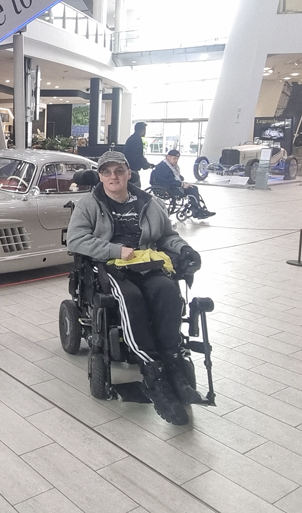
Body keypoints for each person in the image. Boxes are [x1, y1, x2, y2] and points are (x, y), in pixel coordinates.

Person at [65, 151, 202, 426]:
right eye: (107, 172)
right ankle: (153, 374)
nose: (113, 176)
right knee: (130, 299)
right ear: (100, 176)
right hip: (110, 267)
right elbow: (76, 239)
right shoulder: (89, 204)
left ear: (129, 173)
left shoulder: (149, 203)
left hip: (147, 263)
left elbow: (167, 236)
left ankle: (173, 365)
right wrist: (115, 249)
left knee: (168, 292)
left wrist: (185, 249)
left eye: (119, 171)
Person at [150, 149, 215, 219]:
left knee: (193, 188)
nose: (176, 161)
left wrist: (181, 181)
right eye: (174, 158)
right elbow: (168, 181)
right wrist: (181, 184)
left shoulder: (169, 166)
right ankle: (197, 211)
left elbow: (173, 178)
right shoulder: (163, 167)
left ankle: (197, 209)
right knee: (192, 189)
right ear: (168, 157)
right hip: (167, 188)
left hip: (171, 186)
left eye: (177, 159)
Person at [123, 122, 153, 187]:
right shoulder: (137, 140)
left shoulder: (132, 138)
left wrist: (146, 163)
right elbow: (137, 156)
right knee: (136, 187)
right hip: (132, 168)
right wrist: (145, 165)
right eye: (145, 130)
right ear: (141, 130)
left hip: (129, 166)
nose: (145, 132)